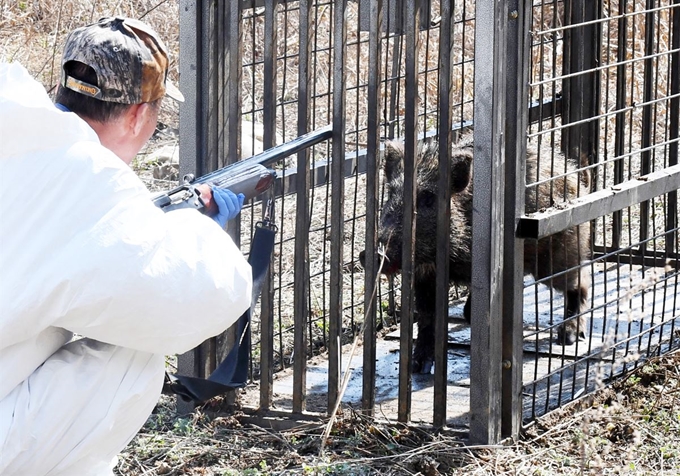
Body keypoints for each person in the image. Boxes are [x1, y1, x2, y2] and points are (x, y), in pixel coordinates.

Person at [0, 17, 252, 475]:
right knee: (135, 354)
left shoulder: (16, 130)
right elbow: (192, 302)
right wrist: (203, 230)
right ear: (139, 114)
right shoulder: (90, 183)